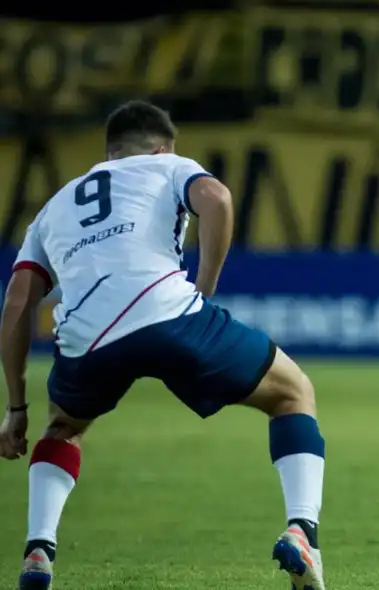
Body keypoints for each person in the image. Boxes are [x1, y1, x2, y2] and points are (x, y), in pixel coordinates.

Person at [0, 101, 326, 590]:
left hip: (88, 334)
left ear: (109, 153)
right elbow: (217, 198)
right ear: (162, 146)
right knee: (292, 393)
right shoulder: (168, 165)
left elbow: (18, 304)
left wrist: (16, 407)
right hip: (167, 311)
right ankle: (303, 532)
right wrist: (205, 288)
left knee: (63, 426)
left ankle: (38, 551)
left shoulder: (53, 208)